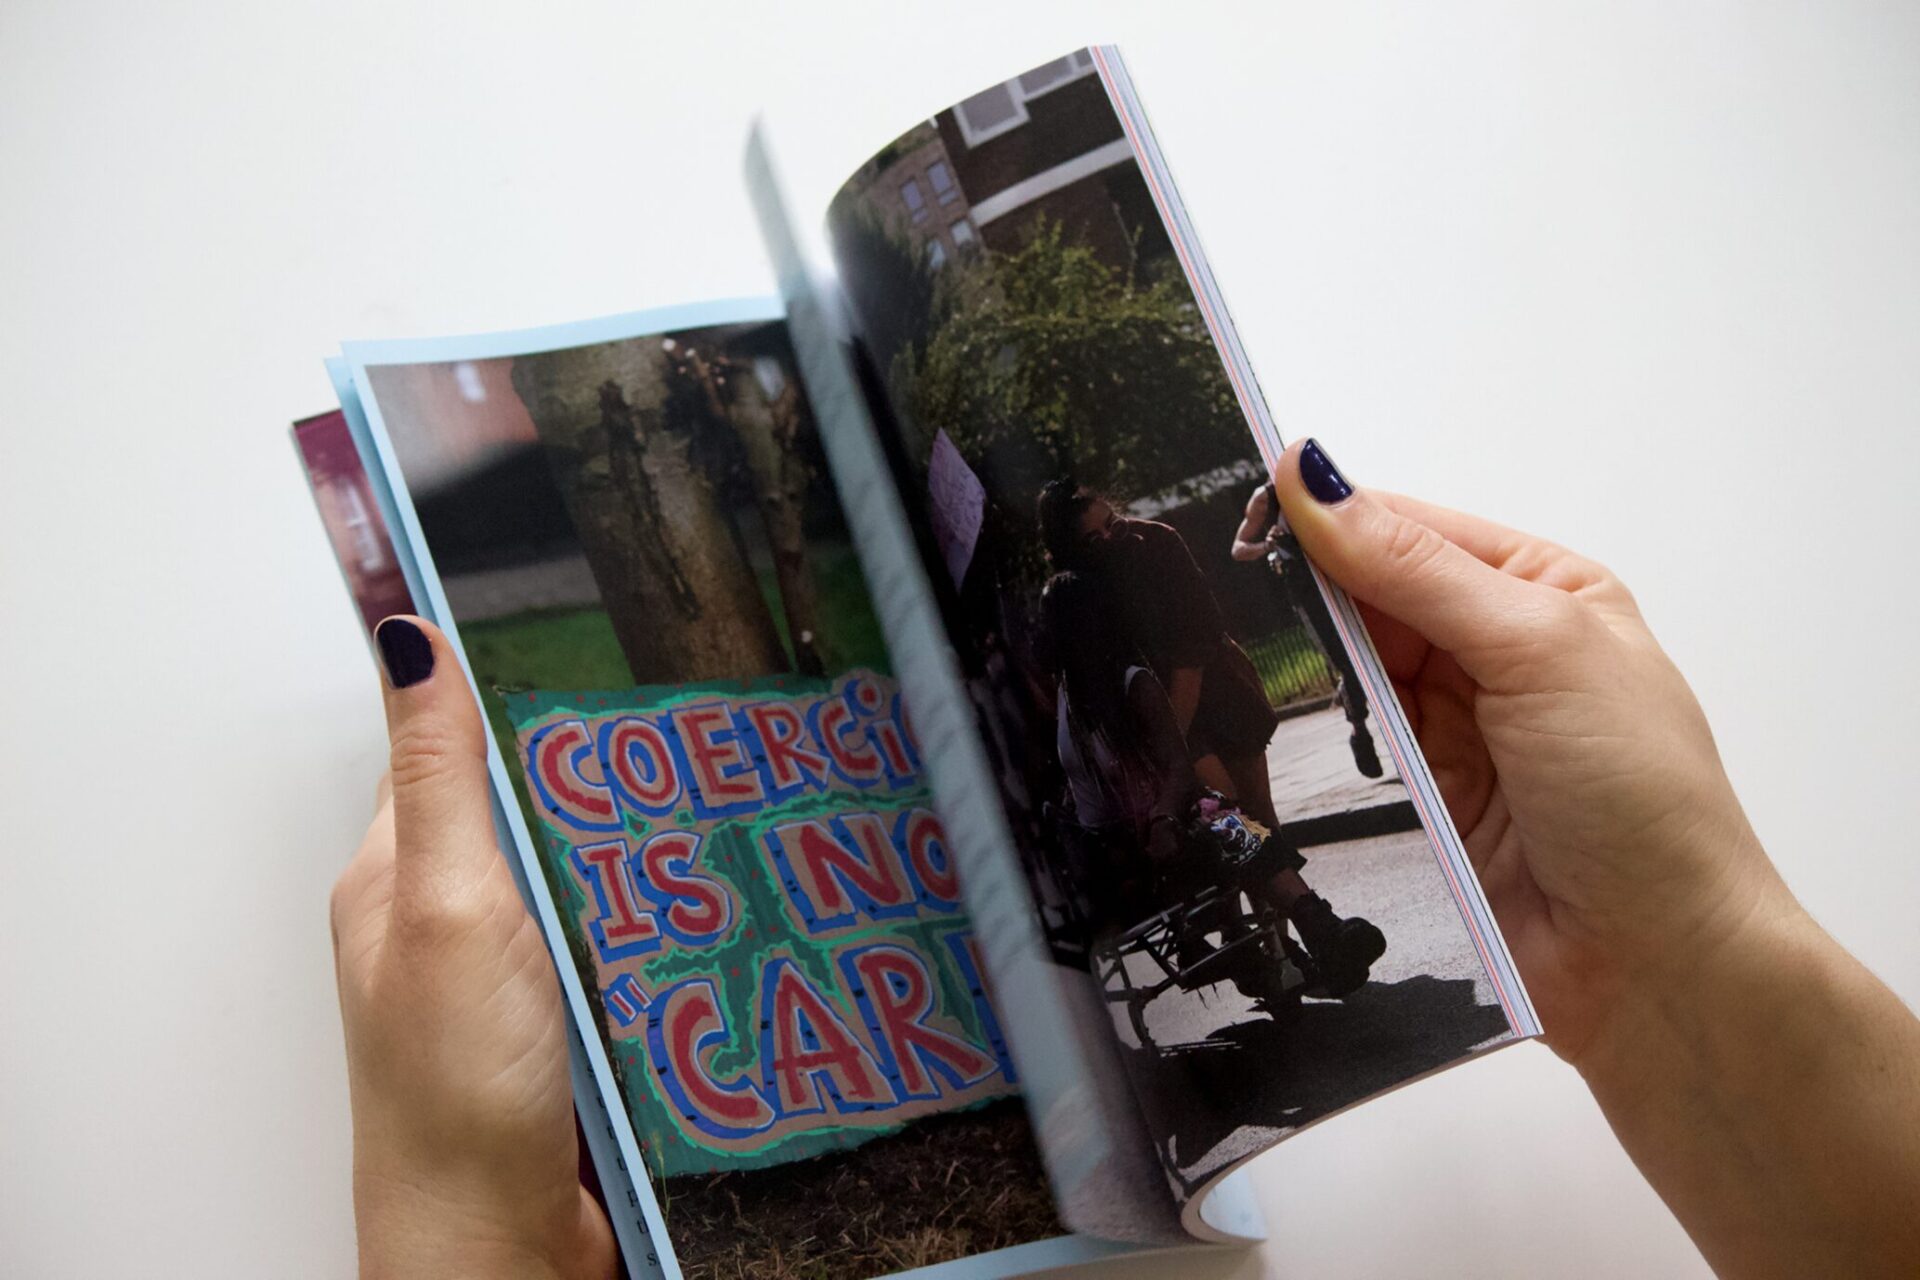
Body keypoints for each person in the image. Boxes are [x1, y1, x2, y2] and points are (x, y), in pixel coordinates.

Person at [334, 438, 1920, 1278]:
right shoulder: (1087, 592)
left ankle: (1295, 911)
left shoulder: (1119, 579)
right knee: (1210, 839)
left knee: (1218, 829)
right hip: (1143, 763)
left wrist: (458, 1242)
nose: (1089, 510)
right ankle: (1293, 912)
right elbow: (1100, 686)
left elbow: (1151, 674)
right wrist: (1690, 956)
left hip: (1167, 745)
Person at [1039, 569, 1386, 996]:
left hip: (1161, 831)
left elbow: (1177, 765)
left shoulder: (1133, 683)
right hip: (1120, 854)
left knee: (1230, 822)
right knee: (1222, 825)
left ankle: (1320, 928)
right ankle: (1314, 929)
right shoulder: (1065, 695)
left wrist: (1165, 816)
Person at [1037, 479, 1285, 834]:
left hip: (1214, 693)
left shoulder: (1156, 543)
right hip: (1158, 719)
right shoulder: (1077, 587)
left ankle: (1278, 880)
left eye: (1113, 523)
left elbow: (1193, 651)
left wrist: (1172, 751)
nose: (1110, 538)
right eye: (1093, 539)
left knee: (1258, 819)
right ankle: (1269, 879)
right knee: (1230, 826)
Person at [1232, 478, 1384, 779]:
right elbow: (1238, 548)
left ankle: (1358, 704)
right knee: (1348, 662)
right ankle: (1360, 731)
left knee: (1374, 652)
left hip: (1344, 574)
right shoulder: (1266, 497)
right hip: (1308, 591)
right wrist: (1268, 544)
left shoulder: (1321, 476)